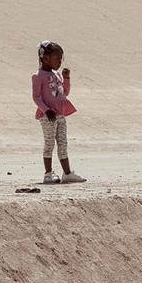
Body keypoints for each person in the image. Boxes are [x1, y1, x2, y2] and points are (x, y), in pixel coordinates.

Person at [32, 41, 86, 184]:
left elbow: (64, 93)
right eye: (57, 58)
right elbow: (36, 97)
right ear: (45, 58)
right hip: (48, 116)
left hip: (60, 114)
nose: (60, 62)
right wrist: (46, 110)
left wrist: (66, 78)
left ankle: (67, 173)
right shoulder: (38, 76)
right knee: (49, 144)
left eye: (61, 58)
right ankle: (48, 173)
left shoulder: (56, 75)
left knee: (63, 143)